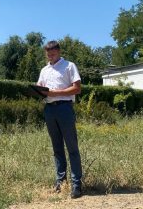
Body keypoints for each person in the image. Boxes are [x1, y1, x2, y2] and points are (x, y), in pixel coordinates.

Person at [37, 40, 83, 199]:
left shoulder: (69, 66)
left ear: (59, 52)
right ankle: (60, 182)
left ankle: (77, 184)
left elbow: (77, 88)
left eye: (53, 54)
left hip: (65, 108)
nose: (51, 57)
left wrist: (55, 93)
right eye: (48, 54)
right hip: (49, 109)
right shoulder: (44, 70)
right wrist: (36, 91)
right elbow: (41, 87)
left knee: (72, 147)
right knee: (57, 148)